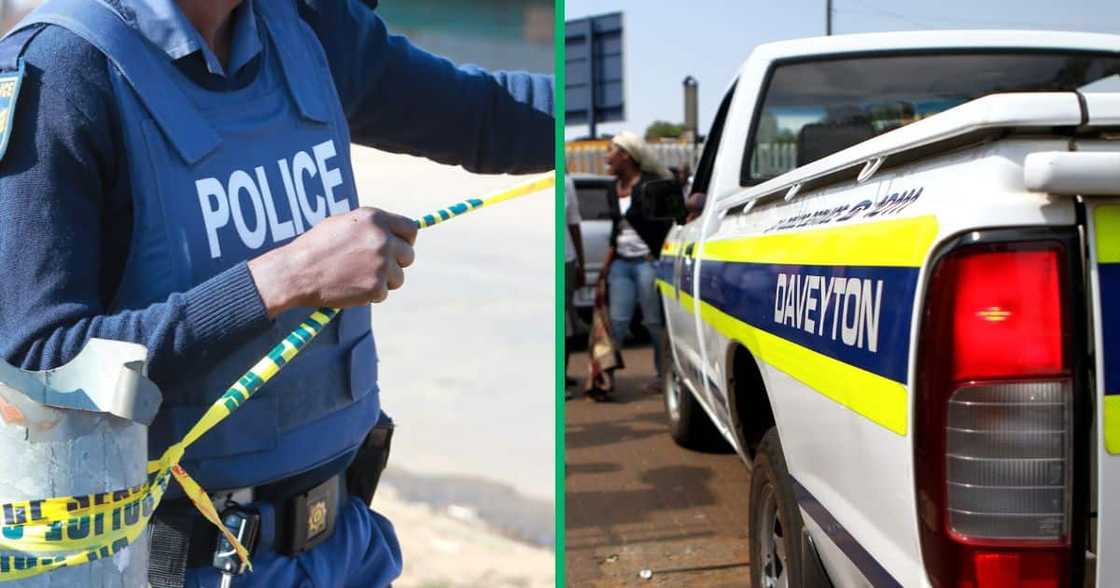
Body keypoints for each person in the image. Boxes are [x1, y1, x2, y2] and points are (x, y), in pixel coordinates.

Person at [0, 0, 552, 586]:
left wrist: (604, 122)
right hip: (186, 561)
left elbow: (488, 116)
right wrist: (284, 280)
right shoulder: (59, 71)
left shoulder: (306, 27)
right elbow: (38, 365)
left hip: (348, 546)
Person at [599, 131, 674, 392]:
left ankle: (661, 374)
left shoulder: (652, 184)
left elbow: (670, 222)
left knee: (653, 322)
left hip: (647, 262)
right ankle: (604, 376)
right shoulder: (612, 188)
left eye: (610, 151)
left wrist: (660, 255)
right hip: (621, 263)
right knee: (617, 322)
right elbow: (615, 229)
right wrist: (605, 265)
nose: (606, 157)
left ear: (626, 155)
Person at [564, 168, 584, 396]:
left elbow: (574, 224)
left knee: (565, 323)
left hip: (566, 261)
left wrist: (581, 263)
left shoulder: (566, 183)